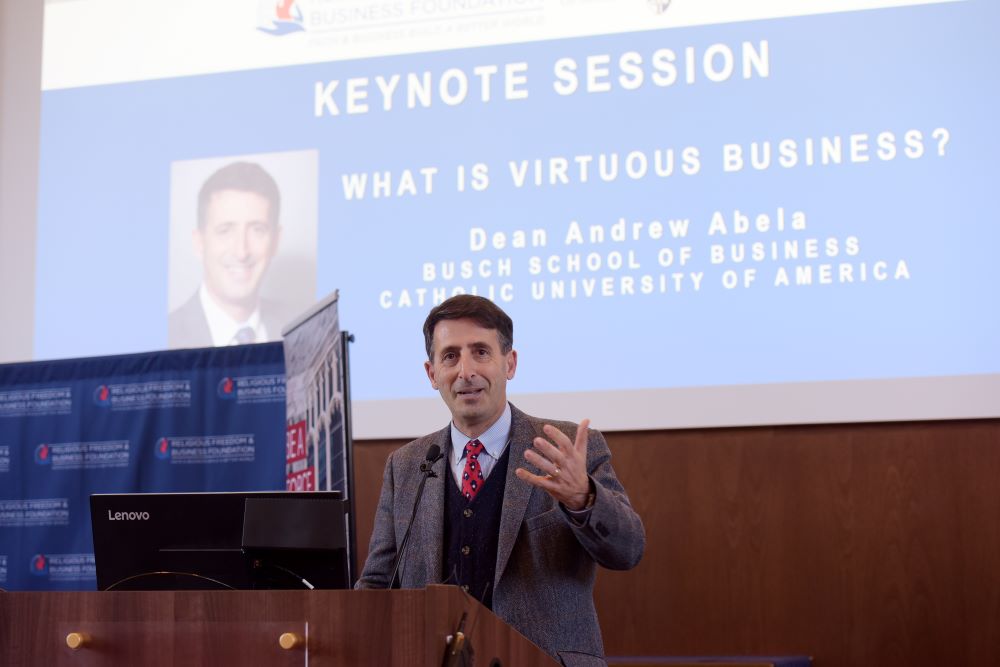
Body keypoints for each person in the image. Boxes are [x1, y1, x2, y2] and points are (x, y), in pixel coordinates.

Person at [356, 294, 645, 665]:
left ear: (509, 363)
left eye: (481, 352)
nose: (466, 371)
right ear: (432, 374)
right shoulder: (407, 465)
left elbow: (628, 550)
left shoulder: (566, 447)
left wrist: (583, 498)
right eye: (450, 356)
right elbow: (376, 586)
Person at [168, 161, 298, 348]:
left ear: (276, 241)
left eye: (257, 230)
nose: (241, 252)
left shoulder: (302, 335)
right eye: (225, 230)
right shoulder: (168, 335)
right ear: (199, 242)